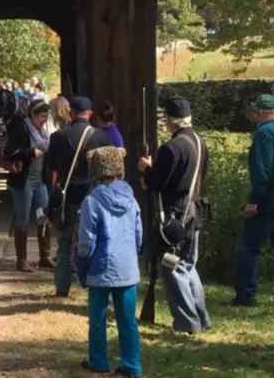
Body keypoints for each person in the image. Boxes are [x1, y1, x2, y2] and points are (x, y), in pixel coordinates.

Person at [138, 96, 212, 333]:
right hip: (194, 210)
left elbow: (157, 183)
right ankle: (201, 317)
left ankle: (187, 322)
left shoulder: (171, 148)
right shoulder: (200, 142)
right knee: (188, 265)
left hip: (176, 213)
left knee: (173, 266)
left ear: (170, 120)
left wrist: (146, 169)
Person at [76, 147, 143, 378]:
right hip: (127, 266)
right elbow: (138, 233)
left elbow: (86, 241)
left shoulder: (92, 201)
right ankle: (132, 365)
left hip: (100, 266)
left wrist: (81, 266)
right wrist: (134, 255)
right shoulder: (131, 197)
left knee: (98, 318)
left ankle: (99, 361)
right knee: (128, 320)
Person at [232, 94, 274, 307]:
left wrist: (254, 200)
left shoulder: (263, 134)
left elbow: (263, 171)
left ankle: (245, 294)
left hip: (270, 194)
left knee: (248, 245)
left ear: (259, 112)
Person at [44, 96, 114, 296]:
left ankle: (62, 286)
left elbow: (52, 167)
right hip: (96, 196)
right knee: (97, 241)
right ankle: (96, 285)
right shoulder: (102, 137)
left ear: (71, 113)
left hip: (70, 196)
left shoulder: (58, 137)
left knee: (65, 243)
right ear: (90, 113)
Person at [2, 100, 56, 272]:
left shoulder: (43, 132)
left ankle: (45, 257)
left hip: (40, 181)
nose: (44, 121)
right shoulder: (21, 129)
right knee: (23, 219)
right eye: (42, 117)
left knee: (43, 216)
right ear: (33, 115)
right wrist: (30, 153)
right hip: (23, 182)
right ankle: (22, 260)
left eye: (47, 117)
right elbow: (9, 152)